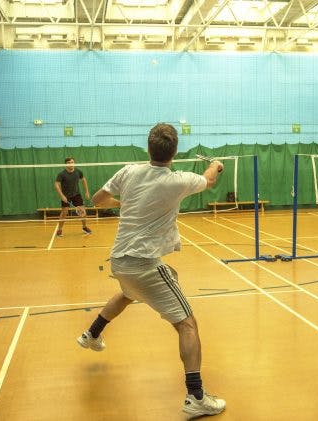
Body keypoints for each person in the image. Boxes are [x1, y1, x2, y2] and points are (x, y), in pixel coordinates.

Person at [77, 123, 226, 417]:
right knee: (187, 325)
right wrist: (217, 165)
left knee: (128, 294)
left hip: (120, 260)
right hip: (143, 263)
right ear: (175, 152)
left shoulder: (129, 171)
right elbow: (208, 181)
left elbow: (97, 200)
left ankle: (92, 335)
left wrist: (129, 202)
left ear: (148, 148)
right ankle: (196, 396)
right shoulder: (177, 180)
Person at [54, 157, 91, 236]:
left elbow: (83, 180)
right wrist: (62, 196)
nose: (71, 164)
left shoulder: (78, 172)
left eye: (73, 162)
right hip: (66, 196)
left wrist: (86, 191)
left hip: (76, 194)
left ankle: (84, 227)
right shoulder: (62, 174)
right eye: (69, 162)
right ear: (66, 164)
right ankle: (60, 229)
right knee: (64, 212)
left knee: (83, 212)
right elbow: (56, 184)